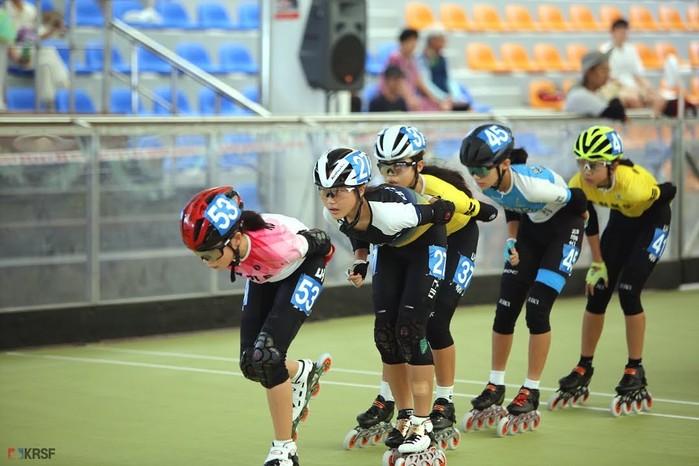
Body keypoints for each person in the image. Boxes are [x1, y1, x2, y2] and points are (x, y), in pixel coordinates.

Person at [350, 125, 498, 449]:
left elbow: (481, 210)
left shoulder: (440, 190)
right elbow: (359, 225)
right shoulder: (383, 192)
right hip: (403, 243)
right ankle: (390, 399)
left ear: (418, 165)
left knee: (433, 322)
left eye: (398, 167)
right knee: (389, 326)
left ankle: (444, 401)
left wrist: (482, 209)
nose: (390, 175)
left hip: (454, 238)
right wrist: (361, 259)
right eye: (384, 167)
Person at [314, 148, 454, 464]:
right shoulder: (332, 212)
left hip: (426, 241)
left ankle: (423, 423)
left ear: (361, 189)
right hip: (392, 245)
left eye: (339, 191)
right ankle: (404, 416)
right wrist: (361, 259)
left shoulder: (391, 213)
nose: (330, 200)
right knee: (385, 335)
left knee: (410, 330)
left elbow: (442, 213)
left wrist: (435, 202)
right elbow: (354, 228)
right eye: (324, 191)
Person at [179, 186, 335, 466]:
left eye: (210, 254)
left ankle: (284, 451)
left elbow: (323, 244)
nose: (206, 262)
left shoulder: (278, 247)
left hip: (302, 265)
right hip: (264, 273)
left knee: (268, 357)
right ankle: (303, 372)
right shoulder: (234, 247)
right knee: (251, 364)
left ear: (237, 239)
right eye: (199, 255)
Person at [458, 123, 588, 436]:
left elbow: (579, 200)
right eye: (471, 170)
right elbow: (511, 206)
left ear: (504, 164)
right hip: (531, 229)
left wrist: (584, 238)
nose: (476, 177)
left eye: (481, 170)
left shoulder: (534, 186)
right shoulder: (489, 183)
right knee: (505, 310)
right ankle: (496, 385)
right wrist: (512, 239)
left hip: (563, 229)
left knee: (537, 309)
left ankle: (531, 388)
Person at [549, 126, 676, 416]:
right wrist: (598, 263)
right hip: (621, 220)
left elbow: (670, 190)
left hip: (652, 219)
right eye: (581, 162)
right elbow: (589, 219)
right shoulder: (579, 183)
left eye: (593, 165)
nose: (586, 171)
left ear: (613, 165)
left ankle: (635, 368)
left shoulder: (635, 186)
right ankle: (584, 365)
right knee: (598, 289)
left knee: (629, 291)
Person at [3, 0, 69, 110]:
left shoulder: (30, 9)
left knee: (46, 62)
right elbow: (6, 40)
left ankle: (49, 102)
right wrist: (17, 57)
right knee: (48, 53)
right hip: (10, 53)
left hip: (28, 47)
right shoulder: (4, 10)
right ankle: (63, 83)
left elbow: (35, 35)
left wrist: (52, 31)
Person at [600, 18, 668, 117]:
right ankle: (640, 125)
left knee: (660, 99)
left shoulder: (631, 50)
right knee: (635, 99)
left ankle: (651, 122)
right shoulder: (605, 49)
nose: (622, 35)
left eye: (625, 32)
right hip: (616, 87)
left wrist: (648, 87)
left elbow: (637, 74)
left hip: (634, 87)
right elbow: (610, 77)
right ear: (613, 33)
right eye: (620, 32)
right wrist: (630, 89)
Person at [381, 28, 451, 112]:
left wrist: (437, 101)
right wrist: (410, 98)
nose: (414, 45)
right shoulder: (395, 58)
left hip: (412, 96)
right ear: (403, 42)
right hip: (397, 97)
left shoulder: (412, 59)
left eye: (415, 42)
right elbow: (398, 82)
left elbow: (419, 82)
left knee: (434, 107)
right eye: (411, 41)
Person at [417, 25, 472, 111]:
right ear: (433, 41)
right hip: (431, 98)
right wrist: (442, 98)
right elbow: (426, 84)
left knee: (467, 107)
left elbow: (449, 80)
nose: (445, 43)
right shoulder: (421, 60)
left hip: (446, 97)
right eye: (442, 40)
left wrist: (454, 96)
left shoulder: (443, 59)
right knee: (445, 108)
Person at [564, 50, 626, 121]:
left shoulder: (597, 93)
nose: (608, 76)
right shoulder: (580, 95)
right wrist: (613, 95)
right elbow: (616, 114)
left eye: (608, 71)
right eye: (604, 71)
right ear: (589, 72)